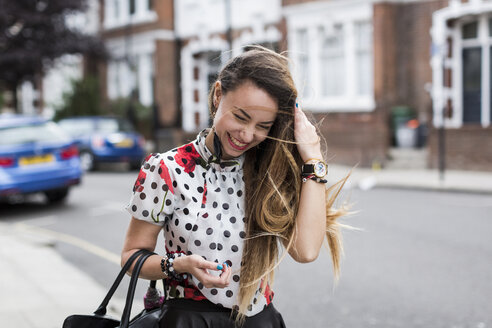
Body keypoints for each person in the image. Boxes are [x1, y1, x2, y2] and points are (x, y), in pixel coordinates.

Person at [122, 45, 347, 327]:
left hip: (258, 320)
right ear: (218, 95)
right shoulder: (165, 169)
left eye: (263, 126)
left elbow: (306, 251)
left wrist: (312, 156)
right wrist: (178, 265)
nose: (247, 134)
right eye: (240, 117)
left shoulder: (268, 170)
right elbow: (131, 257)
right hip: (190, 320)